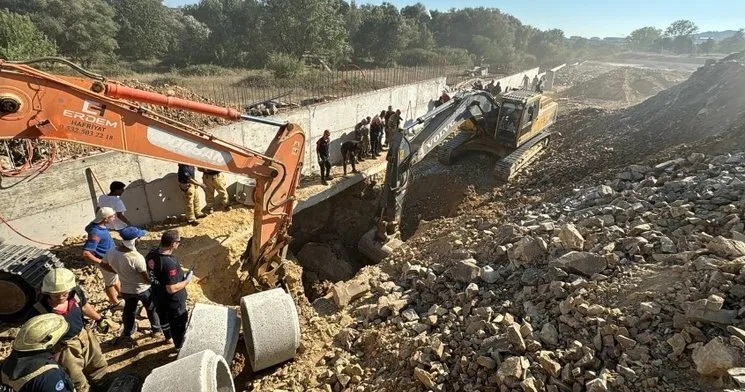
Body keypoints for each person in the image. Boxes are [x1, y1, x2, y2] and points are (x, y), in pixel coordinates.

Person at [27, 268, 110, 392]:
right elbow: (34, 337)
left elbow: (85, 306)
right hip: (63, 348)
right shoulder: (38, 310)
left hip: (85, 336)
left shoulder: (76, 294)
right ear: (47, 292)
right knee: (75, 377)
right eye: (55, 295)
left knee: (98, 364)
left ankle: (104, 384)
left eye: (64, 294)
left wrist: (99, 319)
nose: (60, 297)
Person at [103, 226, 167, 347]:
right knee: (151, 308)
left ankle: (128, 332)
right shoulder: (136, 258)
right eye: (139, 238)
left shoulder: (111, 252)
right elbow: (145, 276)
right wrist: (154, 282)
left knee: (129, 310)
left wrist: (117, 271)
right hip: (142, 289)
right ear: (134, 241)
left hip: (126, 289)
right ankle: (157, 329)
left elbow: (103, 264)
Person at [146, 230, 193, 353]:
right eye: (178, 241)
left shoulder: (151, 255)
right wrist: (187, 281)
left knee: (164, 319)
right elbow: (171, 288)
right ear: (172, 244)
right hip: (173, 302)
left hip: (157, 296)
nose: (179, 243)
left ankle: (168, 338)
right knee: (178, 325)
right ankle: (179, 347)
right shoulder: (168, 263)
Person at [1, 314, 75, 392]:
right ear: (48, 342)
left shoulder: (11, 361)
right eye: (60, 340)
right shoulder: (48, 377)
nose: (62, 343)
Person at [82, 207, 121, 308]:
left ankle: (121, 293)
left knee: (114, 278)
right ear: (105, 219)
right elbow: (86, 253)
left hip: (110, 257)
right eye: (112, 216)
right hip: (106, 260)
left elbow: (87, 228)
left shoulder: (95, 226)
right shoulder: (96, 233)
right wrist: (102, 263)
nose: (114, 218)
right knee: (110, 283)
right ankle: (115, 302)